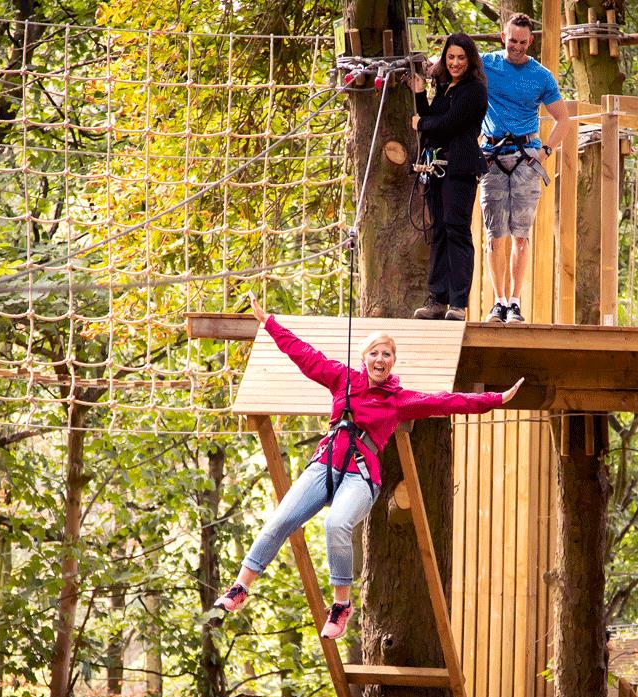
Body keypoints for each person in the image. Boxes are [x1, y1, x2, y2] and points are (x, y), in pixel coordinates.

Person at [214, 295, 523, 639]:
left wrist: (496, 399)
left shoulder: (398, 400)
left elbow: (447, 401)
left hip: (360, 476)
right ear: (364, 359)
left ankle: (341, 605)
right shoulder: (341, 379)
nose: (380, 359)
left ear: (392, 362)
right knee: (281, 519)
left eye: (386, 354)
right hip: (324, 465)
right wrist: (268, 322)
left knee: (336, 524)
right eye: (374, 353)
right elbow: (303, 355)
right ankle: (241, 587)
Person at [480, 13, 571, 324]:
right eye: (512, 40)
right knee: (495, 234)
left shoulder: (541, 75)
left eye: (522, 42)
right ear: (503, 36)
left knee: (520, 234)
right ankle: (499, 300)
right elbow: (453, 65)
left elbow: (564, 119)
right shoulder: (486, 64)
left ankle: (515, 302)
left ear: (530, 41)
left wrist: (544, 152)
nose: (516, 47)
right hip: (492, 154)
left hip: (525, 157)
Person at [409, 34, 489, 322]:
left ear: (470, 61)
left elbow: (449, 124)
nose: (455, 63)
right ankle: (437, 298)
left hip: (460, 168)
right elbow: (431, 118)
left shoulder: (474, 90)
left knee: (456, 229)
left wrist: (423, 124)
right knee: (439, 230)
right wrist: (419, 93)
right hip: (438, 167)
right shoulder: (445, 88)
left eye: (460, 58)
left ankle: (457, 302)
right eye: (450, 57)